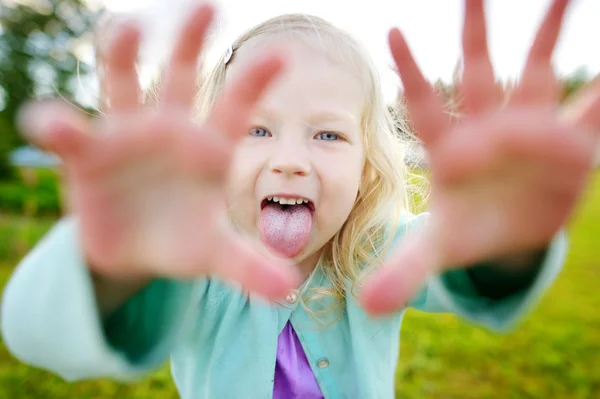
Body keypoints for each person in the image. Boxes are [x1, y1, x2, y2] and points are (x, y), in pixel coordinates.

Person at [2, 1, 600, 398]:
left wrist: (502, 244)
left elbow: (460, 266)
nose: (289, 159)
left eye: (328, 134)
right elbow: (36, 339)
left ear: (368, 165)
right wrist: (114, 268)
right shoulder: (192, 264)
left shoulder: (378, 250)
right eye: (256, 130)